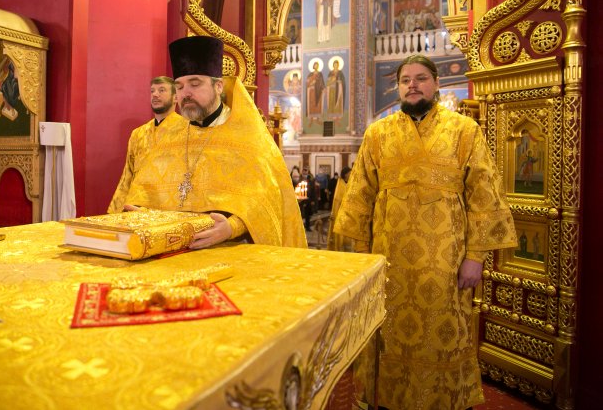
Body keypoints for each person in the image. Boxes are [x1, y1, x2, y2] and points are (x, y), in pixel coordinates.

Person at [334, 54, 517, 409]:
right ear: (398, 87)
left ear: (436, 84)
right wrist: (361, 257)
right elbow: (359, 197)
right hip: (388, 261)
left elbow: (484, 195)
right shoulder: (377, 134)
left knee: (443, 334)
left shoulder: (464, 131)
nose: (412, 85)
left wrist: (475, 257)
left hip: (446, 262)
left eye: (420, 78)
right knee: (387, 332)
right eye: (405, 80)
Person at [119, 36, 307, 249]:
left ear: (218, 86)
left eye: (195, 84)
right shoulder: (170, 136)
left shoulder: (248, 135)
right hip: (171, 249)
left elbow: (269, 200)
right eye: (179, 87)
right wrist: (144, 214)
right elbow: (148, 192)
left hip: (229, 250)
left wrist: (232, 227)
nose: (186, 93)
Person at [108, 76, 185, 212]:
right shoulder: (138, 133)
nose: (155, 94)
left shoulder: (187, 130)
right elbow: (128, 174)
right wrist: (116, 210)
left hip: (167, 208)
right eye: (152, 91)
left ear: (176, 98)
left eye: (162, 90)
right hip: (134, 205)